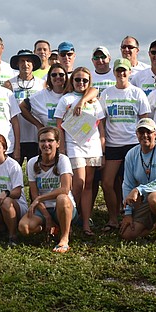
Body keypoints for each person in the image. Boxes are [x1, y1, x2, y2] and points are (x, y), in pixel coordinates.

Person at [98, 58, 151, 231]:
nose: (121, 73)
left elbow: (145, 120)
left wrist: (144, 144)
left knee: (135, 182)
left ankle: (135, 217)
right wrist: (103, 144)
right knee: (106, 183)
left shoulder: (137, 93)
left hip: (133, 144)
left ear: (129, 72)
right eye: (118, 70)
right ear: (114, 72)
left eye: (124, 70)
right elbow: (102, 122)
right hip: (113, 144)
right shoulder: (106, 93)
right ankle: (113, 218)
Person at [55, 66, 105, 236]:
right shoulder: (66, 99)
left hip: (93, 146)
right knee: (79, 183)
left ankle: (85, 222)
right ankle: (70, 215)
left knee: (90, 185)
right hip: (74, 145)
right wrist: (61, 148)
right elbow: (59, 126)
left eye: (84, 80)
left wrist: (103, 148)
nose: (81, 83)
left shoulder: (94, 100)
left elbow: (101, 126)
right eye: (77, 79)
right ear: (72, 81)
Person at [18, 127, 76, 253]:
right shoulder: (32, 163)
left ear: (58, 143)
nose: (46, 144)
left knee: (62, 198)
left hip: (63, 206)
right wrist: (47, 216)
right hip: (42, 208)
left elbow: (65, 189)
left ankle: (64, 238)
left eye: (50, 141)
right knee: (24, 227)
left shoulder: (63, 160)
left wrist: (40, 198)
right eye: (42, 141)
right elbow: (34, 194)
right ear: (38, 143)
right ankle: (52, 225)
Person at [5, 49, 44, 162]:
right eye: (22, 61)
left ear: (33, 64)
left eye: (28, 61)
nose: (25, 64)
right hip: (17, 136)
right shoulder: (8, 84)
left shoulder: (42, 84)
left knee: (35, 171)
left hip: (36, 135)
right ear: (17, 64)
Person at [21, 63, 69, 131]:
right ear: (49, 77)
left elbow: (89, 90)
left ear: (66, 77)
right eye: (54, 75)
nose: (58, 77)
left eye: (61, 74)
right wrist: (38, 125)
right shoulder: (42, 95)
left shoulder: (71, 94)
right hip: (49, 137)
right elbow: (22, 107)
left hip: (68, 138)